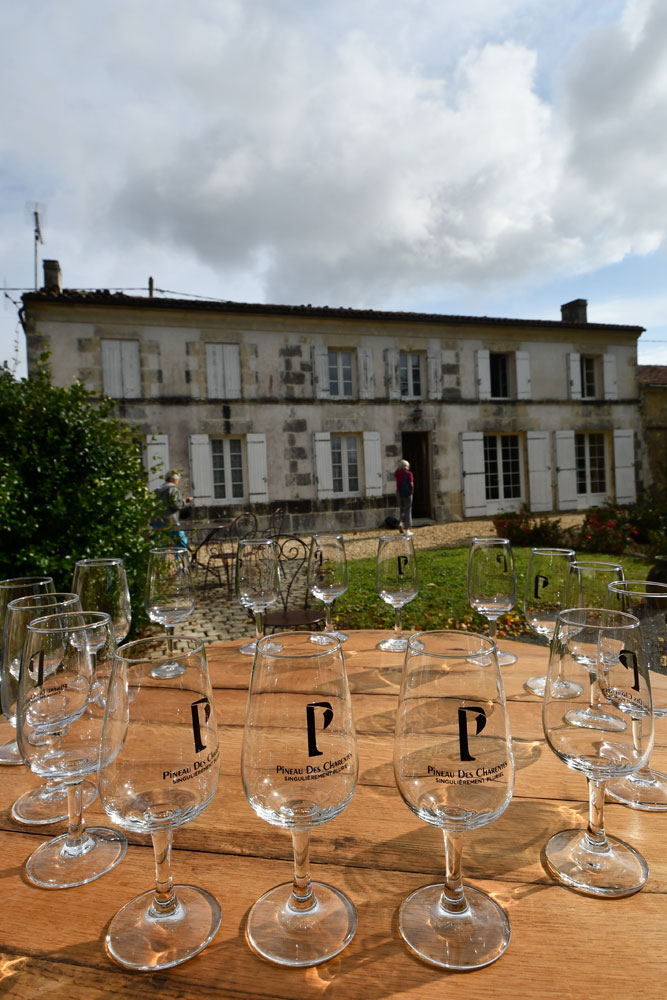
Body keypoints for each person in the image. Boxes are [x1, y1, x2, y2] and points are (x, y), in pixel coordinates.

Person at [152, 471, 193, 548]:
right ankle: (180, 556)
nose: (178, 482)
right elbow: (175, 504)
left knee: (159, 544)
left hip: (157, 520)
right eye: (178, 480)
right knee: (181, 542)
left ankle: (160, 556)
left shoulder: (157, 490)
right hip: (170, 521)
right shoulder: (173, 489)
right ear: (174, 480)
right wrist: (185, 501)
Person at [394, 459, 414, 534]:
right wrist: (412, 492)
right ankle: (407, 530)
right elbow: (411, 484)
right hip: (407, 493)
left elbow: (397, 470)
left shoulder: (397, 473)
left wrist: (399, 466)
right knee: (408, 510)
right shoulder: (409, 474)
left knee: (402, 509)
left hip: (399, 493)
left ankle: (401, 523)